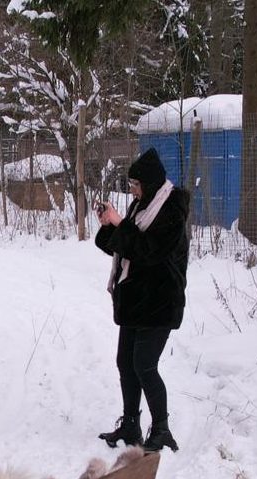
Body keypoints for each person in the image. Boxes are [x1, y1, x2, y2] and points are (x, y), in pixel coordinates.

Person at [94, 148, 189, 453]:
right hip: (136, 300)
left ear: (150, 183)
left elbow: (149, 251)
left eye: (135, 184)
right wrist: (109, 225)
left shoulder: (172, 208)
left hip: (161, 300)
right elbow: (123, 247)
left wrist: (120, 224)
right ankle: (131, 425)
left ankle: (162, 429)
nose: (132, 190)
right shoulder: (141, 205)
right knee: (125, 362)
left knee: (145, 365)